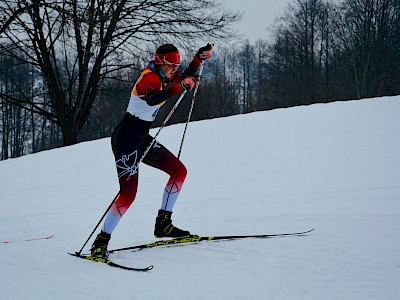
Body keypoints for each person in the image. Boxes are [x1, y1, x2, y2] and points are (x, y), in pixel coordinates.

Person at [90, 43, 212, 259]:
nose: (175, 69)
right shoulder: (150, 78)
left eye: (176, 65)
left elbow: (185, 75)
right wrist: (181, 87)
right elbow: (154, 98)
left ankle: (163, 224)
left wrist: (198, 59)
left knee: (179, 172)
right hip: (125, 140)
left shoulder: (166, 75)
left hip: (142, 137)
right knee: (128, 194)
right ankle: (100, 242)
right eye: (171, 65)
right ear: (161, 63)